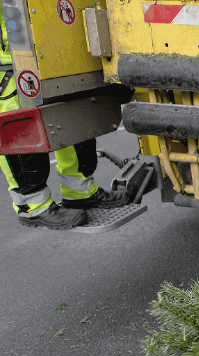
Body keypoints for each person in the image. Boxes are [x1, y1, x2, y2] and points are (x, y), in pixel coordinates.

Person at [0, 15, 128, 230]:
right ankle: (33, 206)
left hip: (47, 44)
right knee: (18, 126)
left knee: (70, 114)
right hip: (8, 58)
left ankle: (79, 191)